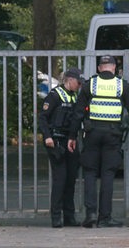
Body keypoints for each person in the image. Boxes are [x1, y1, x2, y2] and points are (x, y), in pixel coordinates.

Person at [67, 56, 129, 228]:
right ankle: (105, 217)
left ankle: (90, 214)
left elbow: (78, 113)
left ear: (100, 68)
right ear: (114, 68)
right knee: (108, 174)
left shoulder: (89, 85)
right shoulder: (122, 85)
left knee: (90, 173)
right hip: (113, 135)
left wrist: (72, 136)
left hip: (92, 134)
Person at [39, 67, 84, 228]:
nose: (79, 86)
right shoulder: (54, 95)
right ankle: (56, 216)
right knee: (60, 179)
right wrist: (47, 137)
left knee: (71, 179)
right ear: (69, 80)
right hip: (56, 141)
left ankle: (69, 217)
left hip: (70, 140)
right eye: (78, 82)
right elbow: (43, 118)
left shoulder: (75, 96)